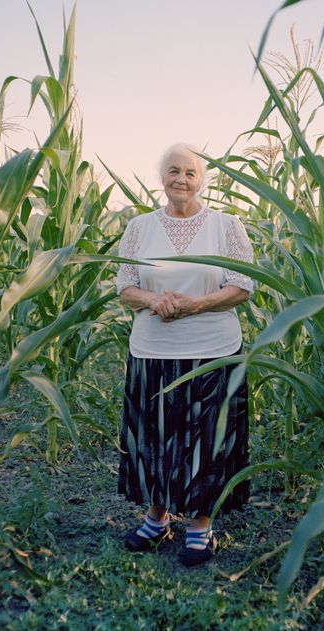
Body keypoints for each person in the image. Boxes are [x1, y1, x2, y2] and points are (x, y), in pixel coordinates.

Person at [115, 142, 254, 567]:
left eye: (190, 173)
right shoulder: (139, 227)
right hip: (154, 349)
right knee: (154, 435)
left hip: (213, 349)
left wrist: (195, 304)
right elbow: (125, 286)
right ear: (162, 178)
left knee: (207, 438)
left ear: (202, 180)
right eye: (173, 171)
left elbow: (242, 286)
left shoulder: (226, 226)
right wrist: (153, 301)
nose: (182, 179)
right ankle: (156, 520)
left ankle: (200, 527)